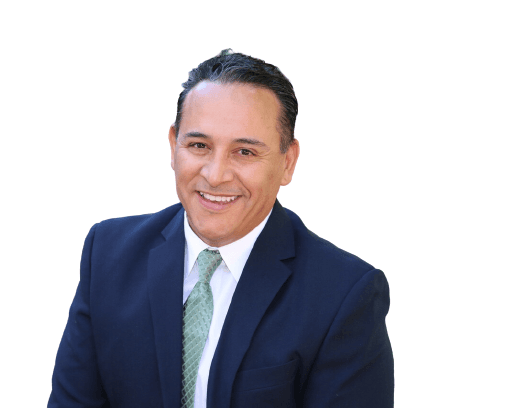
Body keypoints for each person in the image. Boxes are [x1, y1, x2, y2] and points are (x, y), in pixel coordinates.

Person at [48, 50, 394, 408]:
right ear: (173, 146)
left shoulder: (344, 295)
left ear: (288, 162)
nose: (215, 176)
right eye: (199, 145)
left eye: (244, 152)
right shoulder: (108, 256)